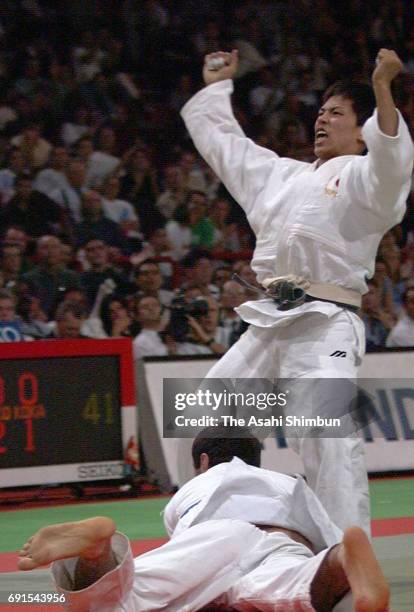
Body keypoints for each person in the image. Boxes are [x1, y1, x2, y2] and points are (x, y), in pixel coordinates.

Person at [180, 48, 414, 533]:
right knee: (213, 411)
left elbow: (392, 161)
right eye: (320, 112)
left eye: (336, 113)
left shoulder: (366, 179)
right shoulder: (281, 176)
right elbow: (226, 146)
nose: (322, 120)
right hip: (269, 323)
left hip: (326, 322)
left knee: (324, 432)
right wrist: (214, 87)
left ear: (362, 129)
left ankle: (343, 555)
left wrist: (383, 88)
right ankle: (222, 536)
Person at [18, 427, 390, 611]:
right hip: (288, 542)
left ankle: (98, 554)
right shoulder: (287, 483)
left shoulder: (203, 484)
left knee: (126, 598)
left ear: (204, 462)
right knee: (285, 588)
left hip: (218, 535)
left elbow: (189, 555)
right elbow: (321, 534)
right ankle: (342, 561)